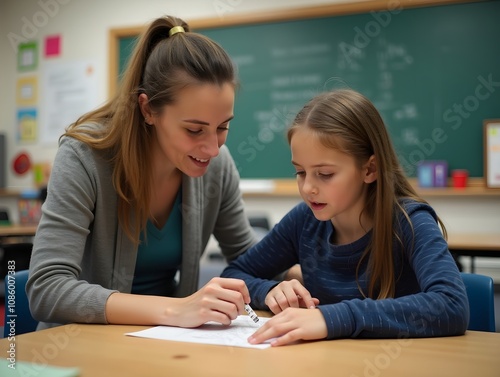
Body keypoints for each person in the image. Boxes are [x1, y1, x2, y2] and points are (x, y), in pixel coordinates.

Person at [27, 15, 258, 330]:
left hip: (166, 344)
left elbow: (250, 259)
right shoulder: (84, 157)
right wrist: (174, 311)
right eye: (194, 130)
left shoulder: (218, 165)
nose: (213, 149)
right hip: (82, 347)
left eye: (223, 127)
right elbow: (46, 289)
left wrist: (285, 282)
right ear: (148, 109)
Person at [221, 88, 469, 346]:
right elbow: (234, 275)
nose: (307, 188)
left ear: (369, 169)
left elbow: (451, 305)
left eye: (325, 174)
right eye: (300, 172)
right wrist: (269, 290)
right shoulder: (304, 221)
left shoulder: (409, 222)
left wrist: (331, 318)